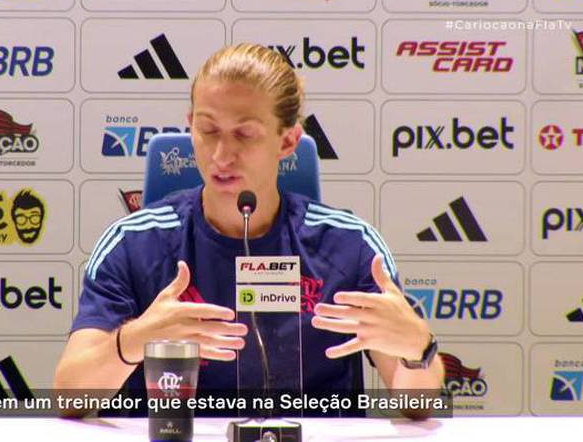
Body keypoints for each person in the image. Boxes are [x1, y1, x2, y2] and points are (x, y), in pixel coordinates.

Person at [55, 43, 444, 417]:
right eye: (208, 130)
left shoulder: (351, 245)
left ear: (288, 140)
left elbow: (418, 403)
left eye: (244, 134)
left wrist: (415, 349)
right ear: (190, 126)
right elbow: (70, 396)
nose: (221, 155)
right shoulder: (133, 242)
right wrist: (134, 340)